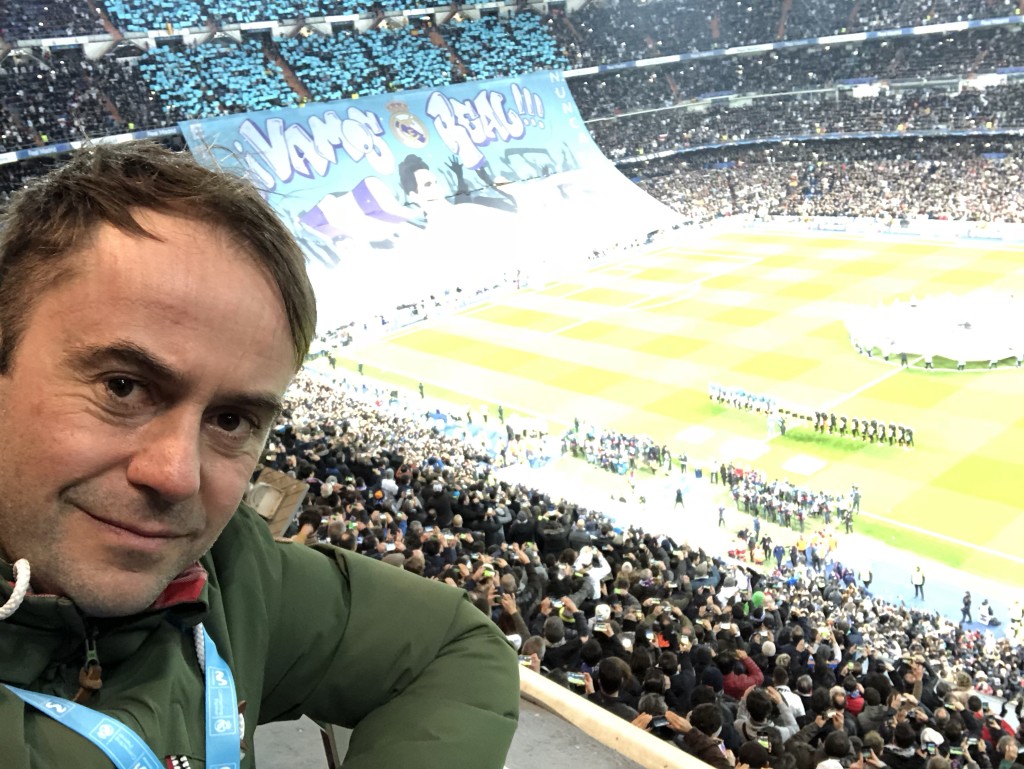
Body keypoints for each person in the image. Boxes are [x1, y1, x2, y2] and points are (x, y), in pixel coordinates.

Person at [0, 142, 519, 768]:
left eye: (229, 420)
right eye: (123, 387)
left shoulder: (232, 576)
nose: (174, 474)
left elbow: (456, 649)